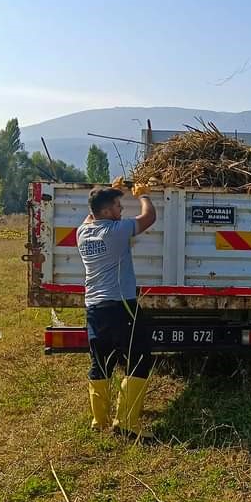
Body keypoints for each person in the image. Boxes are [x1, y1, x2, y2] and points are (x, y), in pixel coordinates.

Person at [78, 177, 157, 440]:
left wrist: (117, 191)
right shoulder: (116, 231)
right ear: (106, 211)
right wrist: (142, 194)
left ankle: (98, 421)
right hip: (121, 306)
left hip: (94, 308)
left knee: (100, 362)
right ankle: (126, 423)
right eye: (117, 205)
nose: (121, 210)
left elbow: (91, 217)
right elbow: (149, 217)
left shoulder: (82, 232)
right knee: (139, 359)